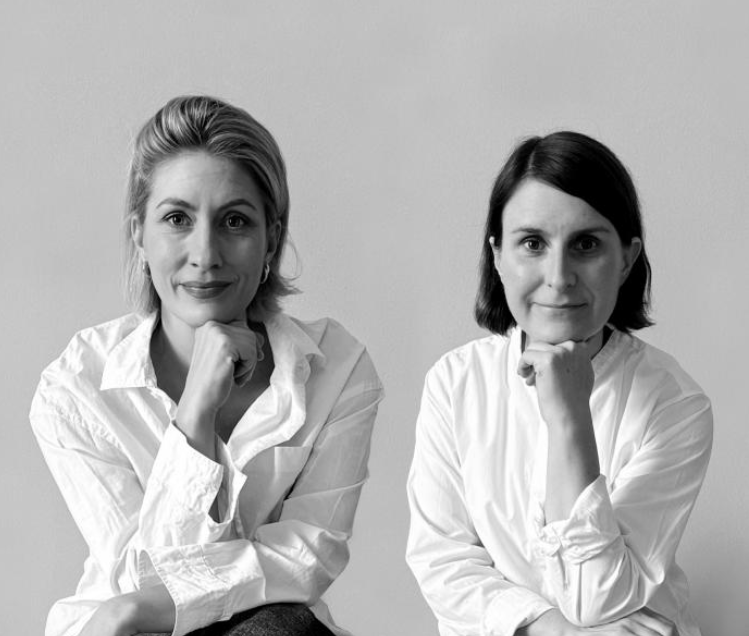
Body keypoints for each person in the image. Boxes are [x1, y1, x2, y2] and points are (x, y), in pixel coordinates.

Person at [30, 95, 383, 636]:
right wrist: (195, 413)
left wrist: (140, 608)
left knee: (280, 626)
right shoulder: (76, 387)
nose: (205, 254)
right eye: (177, 219)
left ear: (271, 239)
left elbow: (308, 557)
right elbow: (142, 578)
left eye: (234, 221)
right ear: (139, 236)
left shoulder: (336, 369)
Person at [406, 131, 712, 636]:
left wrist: (569, 417)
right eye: (532, 244)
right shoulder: (454, 383)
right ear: (497, 255)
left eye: (586, 244)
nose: (559, 276)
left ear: (627, 258)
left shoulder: (675, 405)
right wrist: (552, 629)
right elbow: (443, 564)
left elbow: (597, 597)